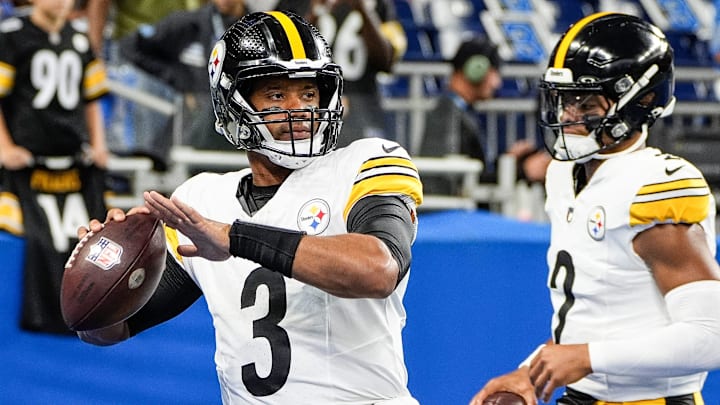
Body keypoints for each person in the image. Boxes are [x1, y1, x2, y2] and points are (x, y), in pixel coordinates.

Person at [76, 11, 423, 404]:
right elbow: (106, 330)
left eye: (309, 93)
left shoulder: (366, 162)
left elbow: (378, 270)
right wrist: (107, 265)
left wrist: (234, 237)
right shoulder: (203, 199)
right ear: (232, 103)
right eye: (277, 94)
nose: (299, 111)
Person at [469, 12, 720, 405]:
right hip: (584, 395)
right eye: (565, 99)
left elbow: (712, 337)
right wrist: (530, 372)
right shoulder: (563, 174)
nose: (568, 115)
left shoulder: (655, 184)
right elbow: (599, 316)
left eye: (586, 101)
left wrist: (588, 357)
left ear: (642, 100)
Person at [0, 0, 110, 334]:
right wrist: (4, 148)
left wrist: (99, 144)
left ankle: (89, 314)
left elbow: (92, 98)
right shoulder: (12, 36)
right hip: (27, 167)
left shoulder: (78, 38)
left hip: (74, 167)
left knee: (86, 239)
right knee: (34, 239)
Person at [419, 37, 550, 196]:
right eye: (494, 73)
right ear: (475, 68)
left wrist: (508, 163)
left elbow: (470, 172)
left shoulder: (457, 111)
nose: (497, 83)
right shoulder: (448, 114)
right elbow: (451, 180)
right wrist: (523, 171)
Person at [117, 0, 247, 150]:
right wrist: (177, 78)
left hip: (238, 119)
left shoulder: (256, 28)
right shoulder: (187, 23)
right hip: (193, 122)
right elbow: (131, 46)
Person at [278, 0, 407, 147]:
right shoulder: (295, 4)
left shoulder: (381, 5)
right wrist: (314, 14)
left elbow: (386, 62)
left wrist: (363, 10)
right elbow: (281, 58)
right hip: (308, 108)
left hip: (360, 109)